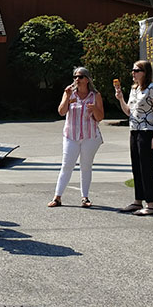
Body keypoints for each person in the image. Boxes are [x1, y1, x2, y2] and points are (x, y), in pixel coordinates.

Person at [49, 66, 105, 208]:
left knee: (86, 166)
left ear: (87, 79)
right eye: (74, 77)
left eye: (80, 77)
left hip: (89, 136)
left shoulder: (95, 95)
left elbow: (100, 117)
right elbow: (61, 112)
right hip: (71, 135)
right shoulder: (70, 94)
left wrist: (94, 109)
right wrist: (67, 97)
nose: (76, 80)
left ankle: (85, 197)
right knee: (67, 165)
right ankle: (57, 197)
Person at [115, 59, 153, 216]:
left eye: (137, 70)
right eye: (133, 70)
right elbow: (129, 111)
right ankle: (138, 201)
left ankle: (151, 205)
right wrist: (120, 98)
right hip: (134, 130)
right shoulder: (134, 89)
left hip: (147, 130)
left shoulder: (152, 88)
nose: (133, 73)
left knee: (147, 167)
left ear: (145, 72)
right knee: (136, 166)